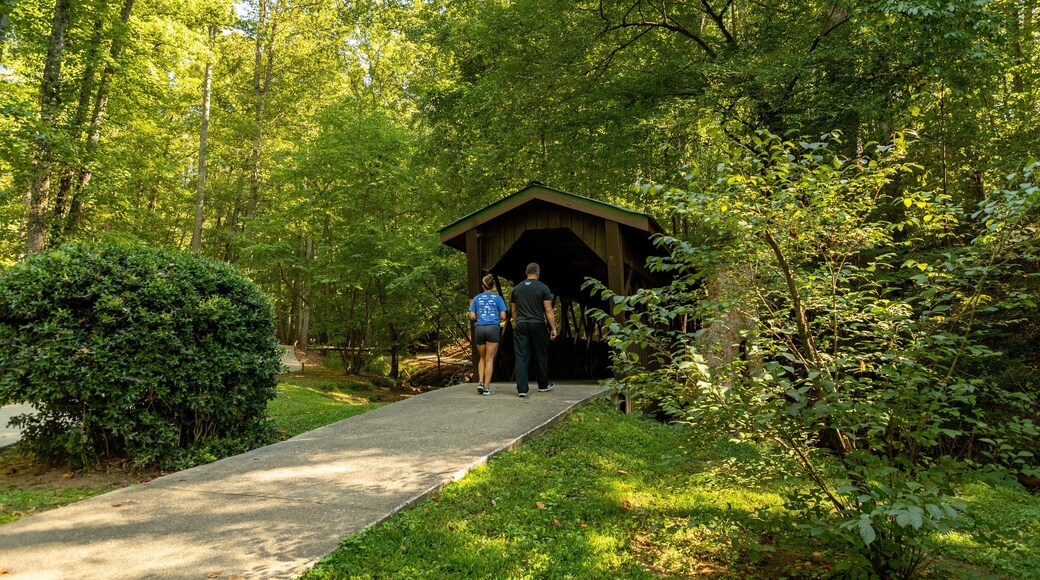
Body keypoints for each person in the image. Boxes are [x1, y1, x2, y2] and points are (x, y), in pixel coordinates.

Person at [510, 262, 557, 398]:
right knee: (540, 354)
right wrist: (553, 328)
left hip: (521, 324)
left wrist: (517, 322)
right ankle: (543, 385)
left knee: (521, 356)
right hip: (537, 324)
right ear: (538, 273)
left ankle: (522, 389)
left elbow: (513, 311)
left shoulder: (516, 289)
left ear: (526, 272)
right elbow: (548, 309)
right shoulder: (543, 288)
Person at [469, 274, 507, 395]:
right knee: (489, 359)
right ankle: (487, 388)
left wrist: (479, 315)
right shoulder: (498, 298)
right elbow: (503, 316)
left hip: (480, 329)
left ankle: (480, 382)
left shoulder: (476, 298)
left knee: (482, 357)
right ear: (492, 286)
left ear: (482, 285)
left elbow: (472, 316)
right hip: (492, 328)